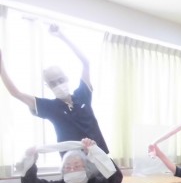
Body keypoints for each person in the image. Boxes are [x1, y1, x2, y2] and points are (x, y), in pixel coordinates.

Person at [0, 24, 109, 153]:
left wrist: (62, 36)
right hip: (74, 161)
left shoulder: (82, 94)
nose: (58, 85)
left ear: (66, 78)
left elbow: (85, 63)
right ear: (48, 86)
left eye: (60, 80)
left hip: (99, 155)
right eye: (53, 83)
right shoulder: (49, 107)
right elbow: (16, 93)